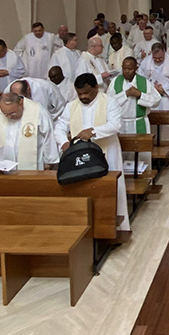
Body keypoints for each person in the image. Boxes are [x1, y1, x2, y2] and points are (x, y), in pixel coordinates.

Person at [55, 73, 129, 230]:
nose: (83, 97)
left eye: (86, 93)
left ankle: (114, 228)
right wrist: (64, 143)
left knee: (110, 189)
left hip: (107, 151)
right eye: (80, 93)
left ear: (96, 87)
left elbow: (115, 125)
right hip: (80, 157)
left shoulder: (109, 102)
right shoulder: (71, 106)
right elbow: (60, 126)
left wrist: (93, 131)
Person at [0, 92, 60, 170]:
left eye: (12, 113)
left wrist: (49, 161)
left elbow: (49, 136)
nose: (9, 117)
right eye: (5, 114)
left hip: (32, 166)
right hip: (3, 166)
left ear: (20, 102)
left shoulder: (37, 110)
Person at [139, 43, 169, 153]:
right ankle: (155, 147)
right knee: (154, 123)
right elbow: (141, 79)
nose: (158, 60)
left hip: (168, 97)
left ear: (164, 52)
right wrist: (152, 88)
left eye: (160, 58)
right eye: (155, 58)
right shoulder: (146, 62)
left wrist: (163, 88)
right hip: (153, 98)